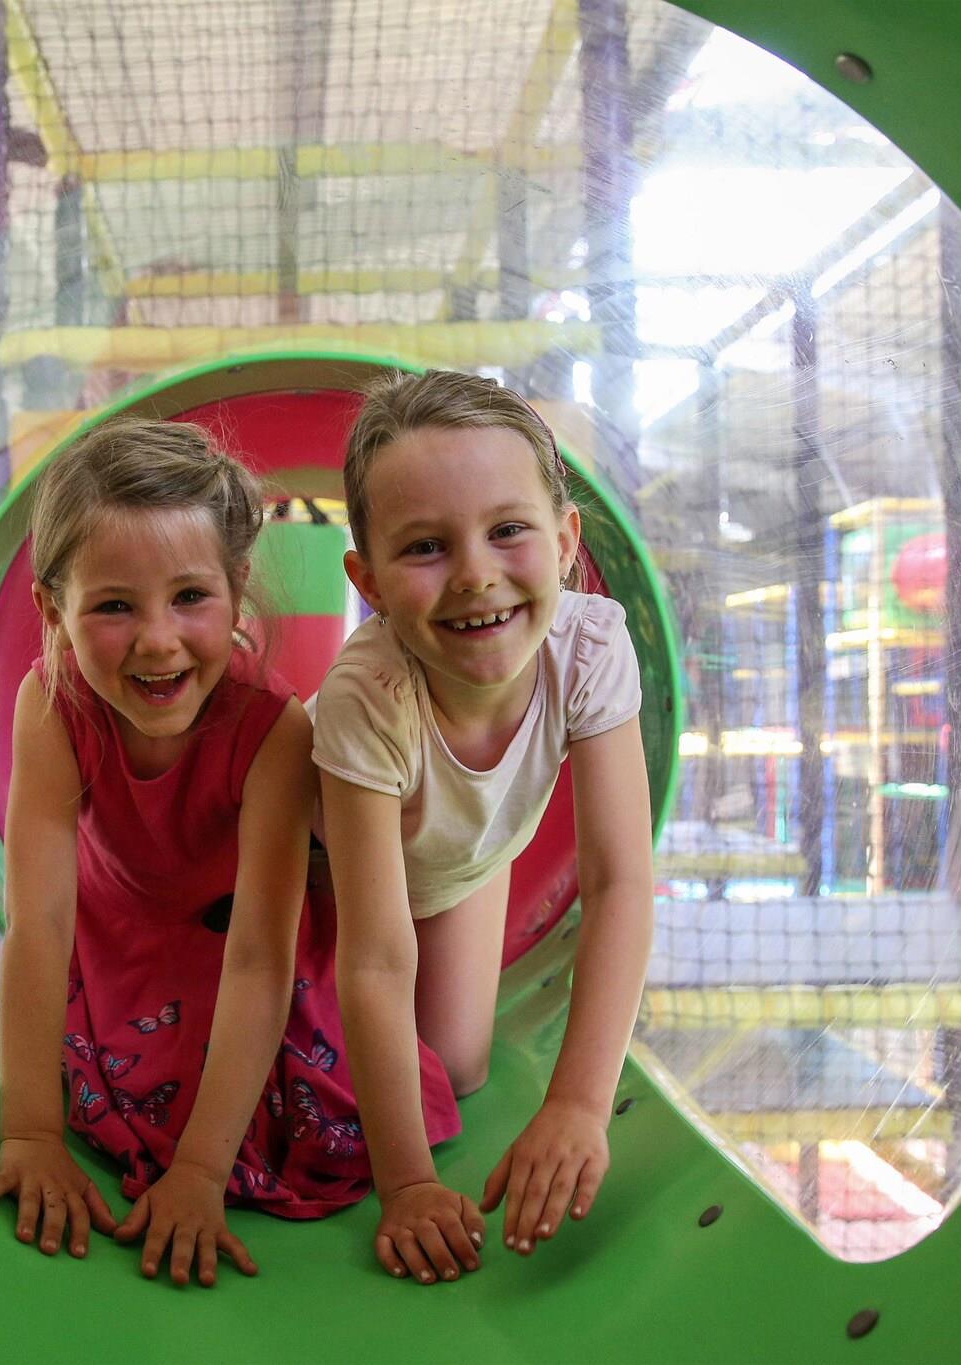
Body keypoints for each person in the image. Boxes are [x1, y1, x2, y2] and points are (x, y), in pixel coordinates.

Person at [0, 417, 458, 1288]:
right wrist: (31, 1131)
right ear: (53, 610)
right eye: (114, 606)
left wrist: (200, 1168)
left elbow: (260, 957)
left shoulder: (273, 729)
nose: (158, 640)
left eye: (190, 597)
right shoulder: (52, 704)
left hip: (246, 952)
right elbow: (38, 923)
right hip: (120, 946)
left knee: (317, 1111)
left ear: (238, 591)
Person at [312, 370, 655, 1285]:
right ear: (368, 582)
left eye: (508, 530)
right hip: (322, 882)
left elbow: (619, 879)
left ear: (566, 541)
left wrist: (578, 1102)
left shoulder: (590, 647)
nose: (474, 574)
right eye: (426, 546)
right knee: (328, 1107)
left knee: (456, 1071)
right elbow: (375, 957)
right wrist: (407, 1185)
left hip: (466, 861)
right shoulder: (366, 697)